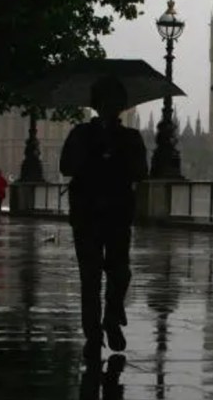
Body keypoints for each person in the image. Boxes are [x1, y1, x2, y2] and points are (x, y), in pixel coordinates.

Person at [60, 76, 148, 360]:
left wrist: (117, 156)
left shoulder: (131, 138)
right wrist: (96, 154)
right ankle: (93, 333)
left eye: (116, 102)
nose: (111, 106)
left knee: (120, 272)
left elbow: (141, 172)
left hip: (118, 213)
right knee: (90, 275)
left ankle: (111, 316)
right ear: (97, 105)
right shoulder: (80, 134)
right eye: (106, 101)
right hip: (87, 212)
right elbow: (67, 166)